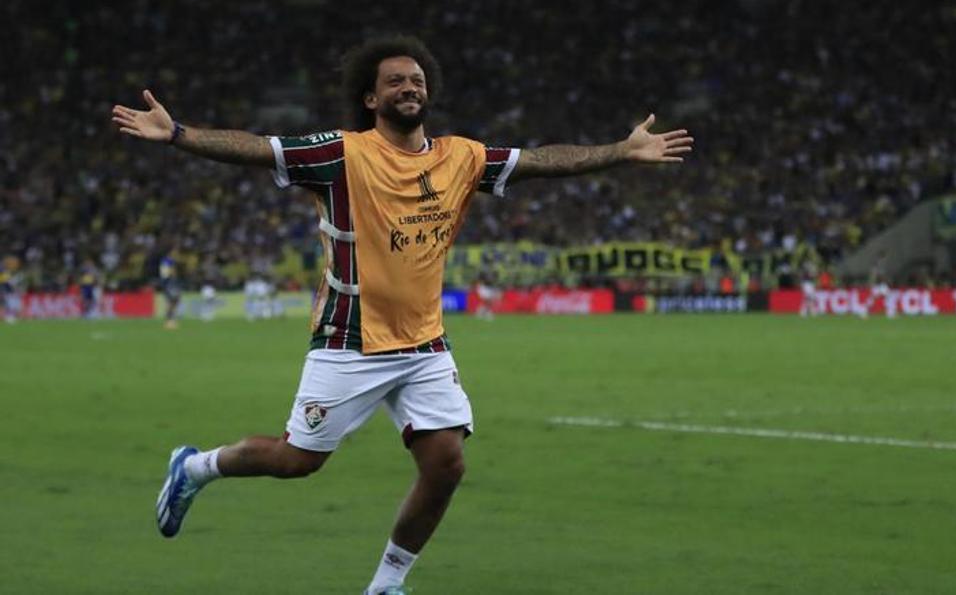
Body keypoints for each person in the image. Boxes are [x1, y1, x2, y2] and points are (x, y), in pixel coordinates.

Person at [112, 34, 692, 595]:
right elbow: (260, 147)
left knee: (446, 465)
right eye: (395, 81)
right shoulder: (342, 153)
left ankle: (386, 584)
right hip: (349, 340)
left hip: (424, 346)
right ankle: (196, 469)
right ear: (371, 98)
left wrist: (621, 150)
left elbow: (542, 161)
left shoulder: (460, 158)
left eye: (416, 80)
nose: (408, 87)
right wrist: (178, 135)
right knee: (296, 461)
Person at [159, 250, 183, 330]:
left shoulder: (166, 261)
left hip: (168, 283)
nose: (177, 255)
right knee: (172, 301)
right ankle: (169, 321)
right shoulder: (168, 261)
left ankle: (170, 320)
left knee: (174, 301)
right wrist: (172, 275)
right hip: (169, 283)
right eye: (175, 253)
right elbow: (166, 273)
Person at [1, 255, 22, 324]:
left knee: (8, 303)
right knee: (7, 303)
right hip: (4, 288)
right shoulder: (3, 270)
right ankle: (9, 316)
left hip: (6, 289)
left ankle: (9, 316)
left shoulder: (6, 271)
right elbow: (6, 280)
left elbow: (8, 280)